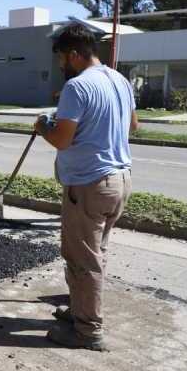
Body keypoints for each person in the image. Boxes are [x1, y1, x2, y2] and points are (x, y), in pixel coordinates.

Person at [34, 24, 138, 351]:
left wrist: (42, 128)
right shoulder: (119, 79)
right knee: (96, 253)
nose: (60, 66)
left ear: (75, 54)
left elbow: (62, 140)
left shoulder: (77, 88)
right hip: (119, 181)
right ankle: (80, 310)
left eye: (62, 59)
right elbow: (132, 125)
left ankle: (87, 332)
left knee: (82, 259)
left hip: (89, 185)